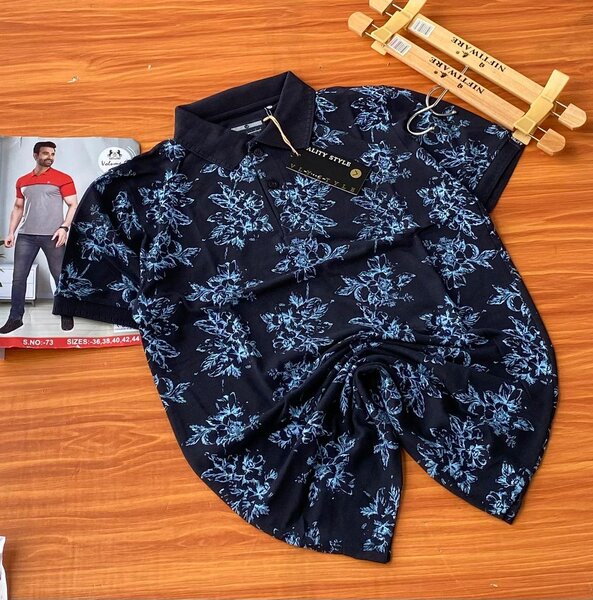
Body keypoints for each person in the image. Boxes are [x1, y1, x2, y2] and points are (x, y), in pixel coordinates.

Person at [0, 141, 78, 334]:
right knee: (19, 278)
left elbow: (73, 205)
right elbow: (18, 207)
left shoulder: (63, 178)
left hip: (53, 236)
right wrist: (11, 232)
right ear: (35, 155)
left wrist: (64, 227)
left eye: (52, 154)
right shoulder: (23, 180)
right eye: (45, 153)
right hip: (26, 236)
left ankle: (66, 313)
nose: (50, 157)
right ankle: (15, 318)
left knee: (60, 276)